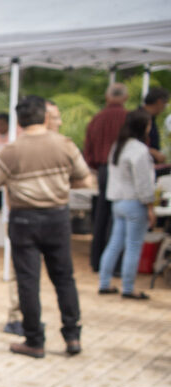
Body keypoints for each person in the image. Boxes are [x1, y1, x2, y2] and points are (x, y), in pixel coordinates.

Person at [0, 95, 94, 359]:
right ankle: (72, 336)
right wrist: (60, 186)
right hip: (57, 218)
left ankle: (34, 340)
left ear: (18, 121)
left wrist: (13, 182)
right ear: (44, 117)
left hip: (23, 220)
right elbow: (86, 180)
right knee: (64, 278)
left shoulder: (10, 150)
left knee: (28, 282)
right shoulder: (64, 144)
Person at [98, 109, 157, 300]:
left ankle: (104, 283)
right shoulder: (139, 150)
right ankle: (128, 288)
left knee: (115, 244)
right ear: (143, 127)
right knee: (133, 246)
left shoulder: (118, 146)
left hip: (118, 202)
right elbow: (143, 182)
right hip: (134, 203)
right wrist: (150, 206)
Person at [84, 83, 129, 272]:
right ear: (125, 97)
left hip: (103, 169)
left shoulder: (97, 119)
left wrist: (96, 166)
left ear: (107, 97)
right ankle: (116, 264)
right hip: (124, 171)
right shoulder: (128, 118)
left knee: (102, 214)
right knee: (119, 216)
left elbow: (88, 149)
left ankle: (97, 260)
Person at [140, 87, 168, 165]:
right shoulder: (138, 117)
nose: (164, 108)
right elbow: (129, 141)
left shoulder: (151, 118)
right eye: (165, 104)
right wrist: (153, 152)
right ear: (159, 102)